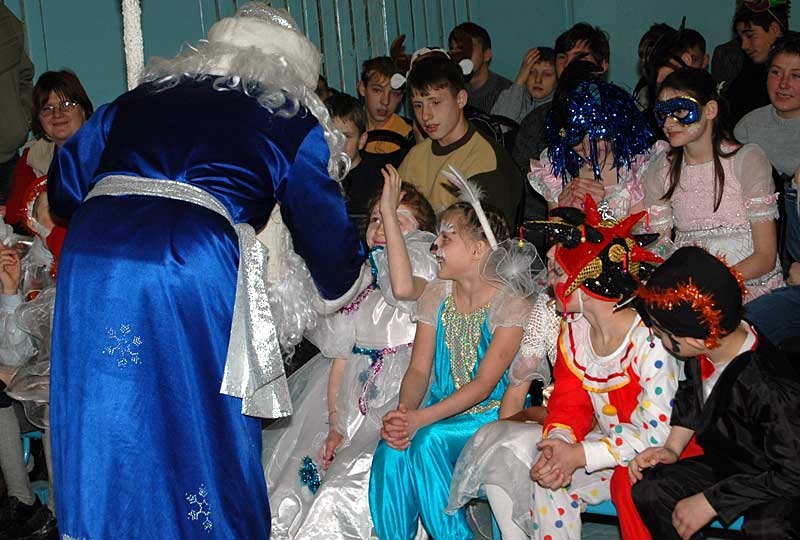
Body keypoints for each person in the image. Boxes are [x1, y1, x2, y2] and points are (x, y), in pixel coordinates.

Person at [45, 5, 365, 539]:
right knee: (198, 409)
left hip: (94, 253)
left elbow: (65, 188)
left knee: (104, 405)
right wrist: (350, 278)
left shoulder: (144, 96)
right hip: (186, 254)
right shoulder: (290, 115)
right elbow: (327, 239)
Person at [448, 196, 686, 540]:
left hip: (658, 455)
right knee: (550, 475)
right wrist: (559, 444)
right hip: (609, 449)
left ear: (586, 283)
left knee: (627, 482)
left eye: (558, 271)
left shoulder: (648, 341)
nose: (549, 281)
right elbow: (569, 403)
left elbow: (657, 436)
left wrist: (580, 454)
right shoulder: (575, 331)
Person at [263, 168, 437, 540]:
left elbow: (403, 288)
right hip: (349, 400)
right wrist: (335, 424)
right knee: (295, 479)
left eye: (396, 219)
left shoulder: (424, 271)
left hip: (399, 396)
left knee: (346, 485)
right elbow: (340, 360)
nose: (382, 226)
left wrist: (388, 214)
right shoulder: (361, 280)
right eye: (375, 218)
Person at [368, 172, 537, 540]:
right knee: (391, 452)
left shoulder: (511, 304)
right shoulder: (437, 294)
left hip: (488, 415)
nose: (435, 246)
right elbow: (418, 370)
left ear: (478, 250)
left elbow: (484, 385)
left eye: (447, 237)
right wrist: (405, 414)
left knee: (428, 442)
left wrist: (421, 420)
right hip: (437, 410)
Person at [630, 246, 800, 540]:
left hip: (778, 477)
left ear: (695, 340)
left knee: (768, 527)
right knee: (652, 488)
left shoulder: (770, 387)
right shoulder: (709, 348)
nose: (655, 336)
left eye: (660, 332)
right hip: (731, 464)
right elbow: (690, 395)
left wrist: (712, 501)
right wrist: (672, 448)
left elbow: (793, 473)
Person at [643, 67, 783, 301]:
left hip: (752, 288)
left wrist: (712, 287)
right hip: (690, 288)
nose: (668, 123)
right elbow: (658, 247)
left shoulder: (746, 160)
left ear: (710, 110)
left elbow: (765, 256)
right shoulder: (661, 170)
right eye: (662, 114)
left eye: (679, 111)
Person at [0, 178, 63, 540]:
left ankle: (57, 511)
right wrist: (11, 292)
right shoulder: (28, 263)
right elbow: (16, 352)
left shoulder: (81, 262)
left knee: (53, 396)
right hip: (28, 383)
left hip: (69, 383)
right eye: (44, 212)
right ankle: (22, 499)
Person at [397, 52, 524, 226]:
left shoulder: (486, 161)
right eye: (418, 105)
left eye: (435, 102)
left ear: (460, 99)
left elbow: (483, 237)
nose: (425, 115)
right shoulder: (415, 156)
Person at [529, 67, 656, 225]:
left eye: (597, 137)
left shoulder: (636, 172)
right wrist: (565, 212)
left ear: (615, 127)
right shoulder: (557, 173)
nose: (588, 150)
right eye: (576, 139)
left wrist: (599, 210)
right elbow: (557, 237)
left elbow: (643, 234)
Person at [512, 22, 610, 172]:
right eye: (562, 57)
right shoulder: (538, 121)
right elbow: (519, 175)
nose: (568, 64)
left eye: (579, 57)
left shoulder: (619, 115)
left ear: (602, 65)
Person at [6, 70, 93, 234]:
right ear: (38, 119)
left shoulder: (107, 152)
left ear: (84, 110)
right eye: (47, 109)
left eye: (66, 105)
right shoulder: (33, 157)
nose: (57, 114)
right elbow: (14, 216)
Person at [326, 93, 403, 233]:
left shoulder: (380, 180)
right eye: (331, 136)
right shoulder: (315, 176)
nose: (338, 143)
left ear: (361, 140)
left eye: (346, 136)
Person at [725, 0, 790, 124]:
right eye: (741, 39)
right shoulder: (747, 72)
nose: (744, 46)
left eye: (750, 36)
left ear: (774, 30)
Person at [0, 4, 34, 205]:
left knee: (16, 220)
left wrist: (21, 120)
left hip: (9, 158)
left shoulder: (5, 19)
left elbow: (25, 76)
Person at [449, 22, 513, 113]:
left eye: (468, 48)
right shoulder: (450, 91)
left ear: (487, 55)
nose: (460, 55)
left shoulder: (507, 92)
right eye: (454, 49)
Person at [357, 56, 411, 155]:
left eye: (394, 93)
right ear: (362, 88)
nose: (385, 101)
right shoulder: (349, 130)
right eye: (377, 90)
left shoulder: (407, 135)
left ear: (401, 96)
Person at [491, 47, 557, 124]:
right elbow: (498, 127)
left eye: (547, 74)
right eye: (531, 72)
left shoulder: (560, 109)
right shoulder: (509, 96)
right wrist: (519, 81)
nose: (538, 80)